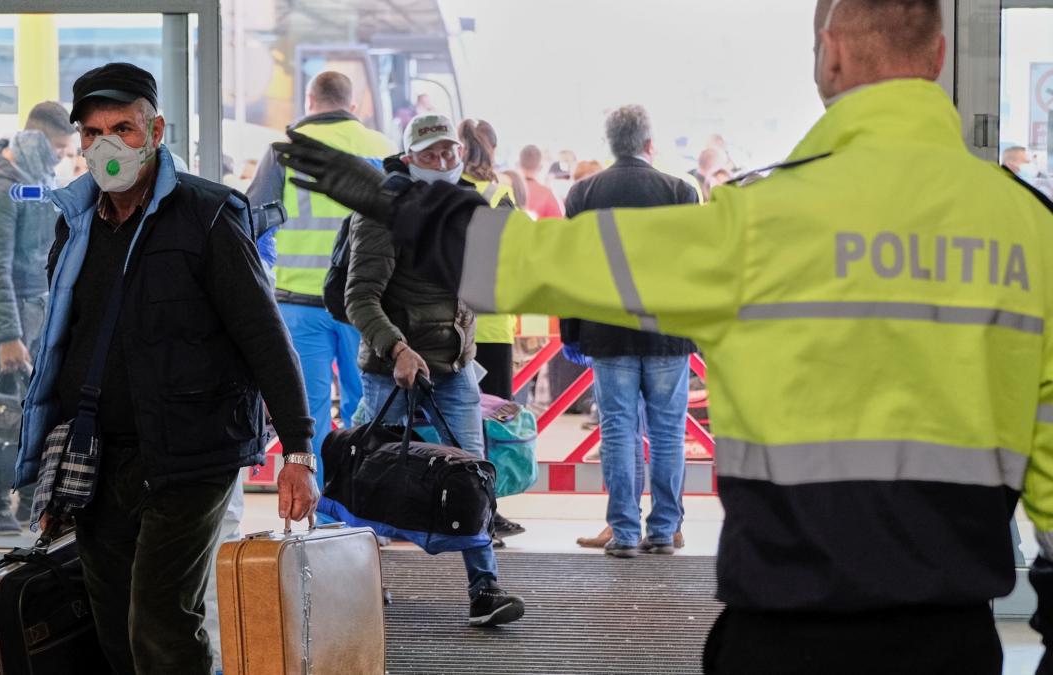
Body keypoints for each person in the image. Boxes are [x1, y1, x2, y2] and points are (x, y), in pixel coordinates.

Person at [274, 1, 1053, 671]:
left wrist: (401, 203)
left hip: (785, 632)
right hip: (955, 641)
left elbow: (539, 262)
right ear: (940, 55)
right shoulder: (1030, 230)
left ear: (831, 54)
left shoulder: (760, 224)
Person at [15, 63, 318, 675]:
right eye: (93, 132)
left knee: (160, 618)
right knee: (112, 620)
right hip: (100, 457)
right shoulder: (75, 225)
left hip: (192, 454)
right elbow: (64, 345)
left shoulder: (207, 217)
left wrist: (300, 450)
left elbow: (265, 336)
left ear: (155, 130)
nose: (107, 145)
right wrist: (50, 462)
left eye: (122, 128)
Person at [344, 113, 525, 627]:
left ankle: (484, 590)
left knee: (474, 476)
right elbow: (361, 297)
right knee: (376, 477)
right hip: (392, 369)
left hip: (453, 368)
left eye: (449, 152)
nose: (443, 162)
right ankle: (361, 588)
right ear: (408, 160)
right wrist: (397, 349)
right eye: (430, 154)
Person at [559, 106, 699, 559]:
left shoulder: (583, 193)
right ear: (649, 144)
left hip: (608, 330)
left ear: (611, 144)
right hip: (667, 332)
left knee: (617, 430)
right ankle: (663, 529)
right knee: (667, 431)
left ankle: (622, 530)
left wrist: (572, 333)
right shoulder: (681, 191)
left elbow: (572, 268)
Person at [246, 71, 395, 482]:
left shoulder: (284, 149)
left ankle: (320, 513)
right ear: (353, 104)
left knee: (307, 416)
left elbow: (253, 220)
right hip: (365, 307)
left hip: (298, 303)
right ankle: (362, 510)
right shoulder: (382, 148)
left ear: (311, 101)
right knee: (366, 410)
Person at [0, 101, 78, 535]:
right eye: (57, 146)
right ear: (34, 139)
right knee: (1, 414)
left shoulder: (38, 181)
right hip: (11, 320)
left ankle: (29, 500)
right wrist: (9, 334)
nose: (61, 156)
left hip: (42, 313)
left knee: (39, 414)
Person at [457, 117, 526, 543]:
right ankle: (488, 514)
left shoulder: (438, 193)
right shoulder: (498, 196)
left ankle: (465, 512)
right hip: (492, 324)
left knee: (457, 422)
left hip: (449, 325)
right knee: (491, 421)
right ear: (493, 149)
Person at [517, 144, 564, 218]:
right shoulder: (547, 195)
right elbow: (560, 226)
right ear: (540, 167)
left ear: (519, 164)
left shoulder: (508, 191)